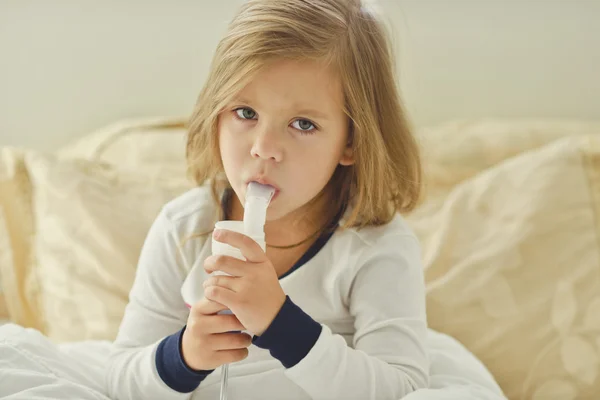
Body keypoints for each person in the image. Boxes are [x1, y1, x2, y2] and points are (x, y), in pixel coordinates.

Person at [106, 0, 428, 399]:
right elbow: (121, 379)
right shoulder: (184, 228)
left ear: (352, 141)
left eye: (303, 124)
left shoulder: (377, 247)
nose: (264, 148)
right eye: (245, 113)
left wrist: (280, 324)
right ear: (215, 115)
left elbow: (403, 389)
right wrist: (183, 357)